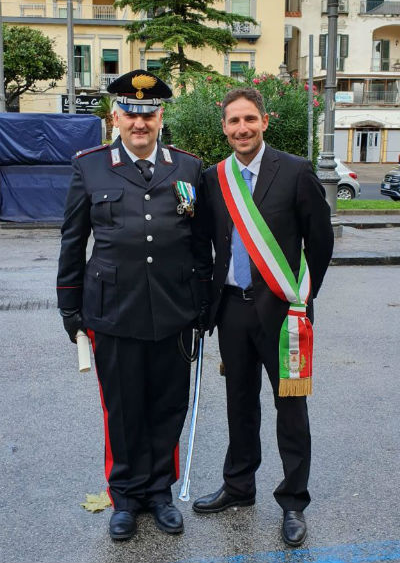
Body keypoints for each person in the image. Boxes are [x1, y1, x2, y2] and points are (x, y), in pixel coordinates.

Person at [57, 70, 204, 540]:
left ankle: (159, 493)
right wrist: (69, 307)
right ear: (115, 117)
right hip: (113, 310)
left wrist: (202, 305)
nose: (140, 124)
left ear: (161, 118)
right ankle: (125, 496)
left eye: (150, 116)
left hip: (173, 311)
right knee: (122, 409)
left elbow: (200, 244)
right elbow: (73, 240)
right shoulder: (90, 165)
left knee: (167, 406)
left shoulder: (188, 167)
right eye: (131, 116)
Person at [192, 87, 334, 547]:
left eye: (249, 119)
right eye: (233, 122)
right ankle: (239, 486)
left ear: (264, 121)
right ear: (225, 128)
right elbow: (207, 243)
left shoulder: (295, 171)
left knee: (290, 406)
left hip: (282, 311)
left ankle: (293, 499)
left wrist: (302, 296)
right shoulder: (215, 179)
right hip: (232, 308)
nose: (241, 129)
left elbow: (321, 240)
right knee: (239, 402)